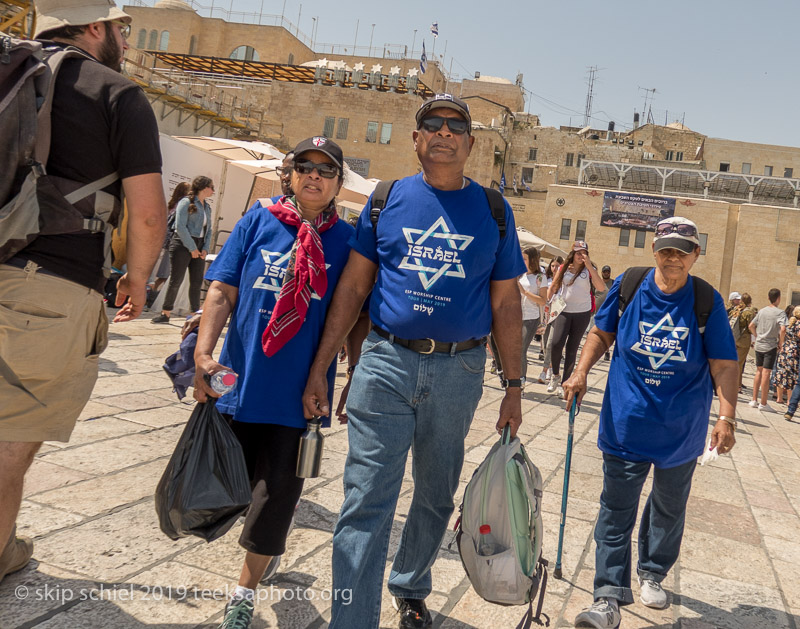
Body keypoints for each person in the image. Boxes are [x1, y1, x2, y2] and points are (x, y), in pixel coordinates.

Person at [302, 93, 526, 629]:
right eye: (432, 124)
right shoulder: (385, 199)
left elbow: (506, 302)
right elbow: (354, 287)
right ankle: (351, 619)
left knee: (434, 495)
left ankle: (409, 585)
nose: (443, 132)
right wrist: (320, 366)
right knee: (365, 498)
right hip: (384, 362)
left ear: (470, 143)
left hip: (460, 371)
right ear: (416, 138)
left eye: (455, 126)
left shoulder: (495, 210)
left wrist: (514, 386)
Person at [0, 0, 165, 584]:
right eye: (121, 26)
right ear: (96, 27)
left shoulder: (6, 69)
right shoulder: (116, 91)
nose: (123, 36)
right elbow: (146, 215)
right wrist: (137, 279)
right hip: (50, 283)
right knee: (11, 445)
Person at [193, 137, 355, 629]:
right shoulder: (258, 222)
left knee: (276, 495)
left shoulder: (347, 242)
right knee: (231, 488)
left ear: (337, 183)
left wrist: (347, 375)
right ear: (290, 175)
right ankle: (263, 553)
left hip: (299, 393)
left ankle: (245, 589)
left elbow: (350, 317)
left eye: (326, 171)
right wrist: (203, 354)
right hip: (239, 384)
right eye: (305, 166)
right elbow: (222, 289)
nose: (314, 176)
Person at [564, 216, 738, 629]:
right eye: (666, 249)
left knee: (668, 508)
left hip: (681, 430)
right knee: (615, 509)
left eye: (682, 250)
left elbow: (724, 363)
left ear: (696, 255)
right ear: (654, 250)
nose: (672, 257)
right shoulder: (630, 285)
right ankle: (607, 595)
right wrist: (580, 371)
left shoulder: (705, 300)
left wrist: (726, 416)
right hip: (627, 422)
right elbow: (601, 333)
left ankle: (653, 571)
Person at [546, 240, 606, 398]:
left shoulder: (589, 270)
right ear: (573, 254)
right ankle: (555, 375)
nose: (581, 256)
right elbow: (554, 286)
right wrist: (547, 303)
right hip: (564, 310)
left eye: (584, 253)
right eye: (578, 253)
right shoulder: (564, 267)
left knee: (572, 348)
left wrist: (590, 268)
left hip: (582, 313)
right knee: (556, 343)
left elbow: (600, 288)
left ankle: (565, 382)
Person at [152, 176, 215, 323]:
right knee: (176, 279)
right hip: (182, 244)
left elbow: (209, 229)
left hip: (199, 245)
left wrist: (205, 248)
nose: (213, 190)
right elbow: (180, 227)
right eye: (211, 187)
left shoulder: (207, 207)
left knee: (196, 281)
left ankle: (194, 314)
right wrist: (192, 248)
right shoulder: (185, 202)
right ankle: (165, 313)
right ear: (204, 188)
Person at [147, 181, 190, 308]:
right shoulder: (181, 206)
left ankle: (153, 296)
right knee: (166, 275)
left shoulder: (173, 205)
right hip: (174, 242)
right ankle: (153, 297)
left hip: (169, 242)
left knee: (165, 274)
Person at [748, 288, 787, 412]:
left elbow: (751, 326)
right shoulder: (780, 313)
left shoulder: (762, 311)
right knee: (766, 373)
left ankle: (754, 399)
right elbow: (783, 329)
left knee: (758, 371)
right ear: (779, 298)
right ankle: (763, 403)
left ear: (769, 297)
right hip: (770, 345)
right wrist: (781, 343)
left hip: (759, 344)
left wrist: (757, 336)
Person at [519, 247, 546, 383]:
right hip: (515, 316)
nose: (522, 260)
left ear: (532, 260)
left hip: (530, 317)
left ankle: (521, 378)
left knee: (521, 349)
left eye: (524, 258)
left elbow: (543, 300)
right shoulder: (519, 274)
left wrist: (524, 292)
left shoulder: (540, 277)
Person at [537, 256, 563, 383]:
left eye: (558, 266)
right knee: (545, 343)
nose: (555, 268)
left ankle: (544, 370)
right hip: (546, 314)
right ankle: (552, 368)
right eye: (553, 266)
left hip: (558, 314)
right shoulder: (546, 280)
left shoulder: (564, 281)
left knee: (550, 343)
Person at [730, 293, 757, 392]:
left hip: (734, 337)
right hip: (744, 339)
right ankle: (736, 385)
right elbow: (751, 327)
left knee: (734, 362)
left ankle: (736, 383)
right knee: (739, 363)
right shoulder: (749, 312)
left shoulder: (736, 309)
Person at [774, 306, 800, 405]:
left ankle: (779, 398)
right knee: (791, 375)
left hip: (785, 349)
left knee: (781, 373)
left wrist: (781, 344)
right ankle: (790, 400)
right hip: (794, 351)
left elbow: (783, 332)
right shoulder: (798, 324)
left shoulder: (790, 322)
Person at [596, 265, 614, 360]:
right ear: (602, 273)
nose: (606, 273)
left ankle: (607, 351)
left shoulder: (613, 283)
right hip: (596, 313)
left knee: (606, 333)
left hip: (607, 313)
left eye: (608, 272)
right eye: (604, 272)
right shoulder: (597, 282)